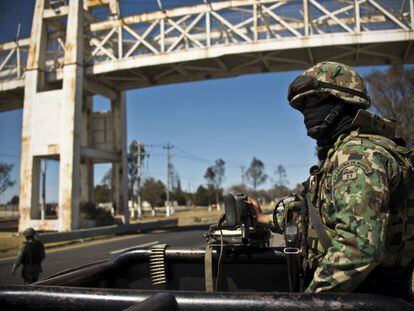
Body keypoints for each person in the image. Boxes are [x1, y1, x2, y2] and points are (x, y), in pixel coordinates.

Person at [248, 61, 414, 294]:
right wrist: (264, 218)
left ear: (343, 101)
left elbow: (358, 248)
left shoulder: (358, 157)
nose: (306, 111)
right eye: (302, 105)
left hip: (367, 296)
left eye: (314, 100)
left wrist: (311, 301)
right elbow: (319, 220)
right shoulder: (341, 156)